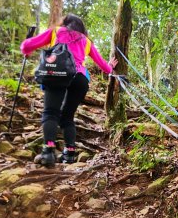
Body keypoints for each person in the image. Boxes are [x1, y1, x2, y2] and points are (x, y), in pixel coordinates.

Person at [20, 14, 117, 167]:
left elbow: (27, 46)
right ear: (81, 28)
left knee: (51, 112)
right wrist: (111, 66)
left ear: (65, 23)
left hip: (57, 74)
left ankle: (48, 151)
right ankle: (70, 153)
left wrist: (27, 47)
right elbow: (104, 67)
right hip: (80, 79)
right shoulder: (86, 41)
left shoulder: (56, 32)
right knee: (68, 116)